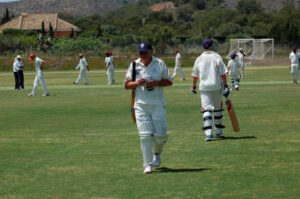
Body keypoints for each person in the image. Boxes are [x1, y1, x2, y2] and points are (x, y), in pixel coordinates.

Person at [124, 42, 173, 174]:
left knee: (161, 136)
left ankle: (156, 154)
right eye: (140, 52)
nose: (142, 55)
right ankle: (147, 164)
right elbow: (126, 84)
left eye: (145, 52)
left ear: (151, 51)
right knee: (145, 136)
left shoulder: (159, 63)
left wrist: (156, 83)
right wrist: (137, 82)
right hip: (140, 105)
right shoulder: (134, 65)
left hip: (157, 104)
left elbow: (169, 81)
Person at [190, 38, 229, 141]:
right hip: (216, 86)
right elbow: (223, 73)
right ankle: (219, 131)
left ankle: (208, 134)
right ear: (212, 46)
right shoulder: (217, 57)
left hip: (204, 87)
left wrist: (193, 86)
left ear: (203, 47)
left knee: (206, 109)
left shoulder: (199, 58)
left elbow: (195, 75)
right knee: (217, 108)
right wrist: (226, 85)